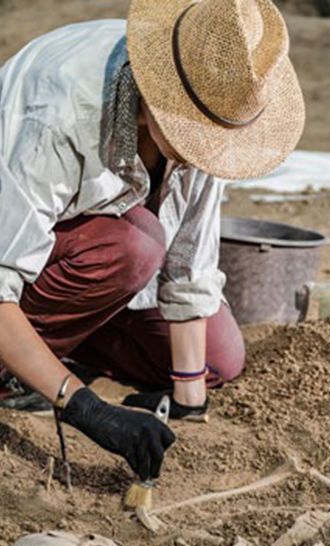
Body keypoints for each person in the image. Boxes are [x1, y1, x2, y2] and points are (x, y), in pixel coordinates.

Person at [0, 0, 306, 482]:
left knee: (217, 360)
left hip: (86, 270)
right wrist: (87, 409)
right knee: (136, 245)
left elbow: (190, 267)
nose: (204, 154)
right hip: (21, 258)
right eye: (193, 136)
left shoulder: (214, 104)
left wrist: (189, 401)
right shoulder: (57, 111)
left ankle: (58, 341)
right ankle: (15, 371)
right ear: (150, 100)